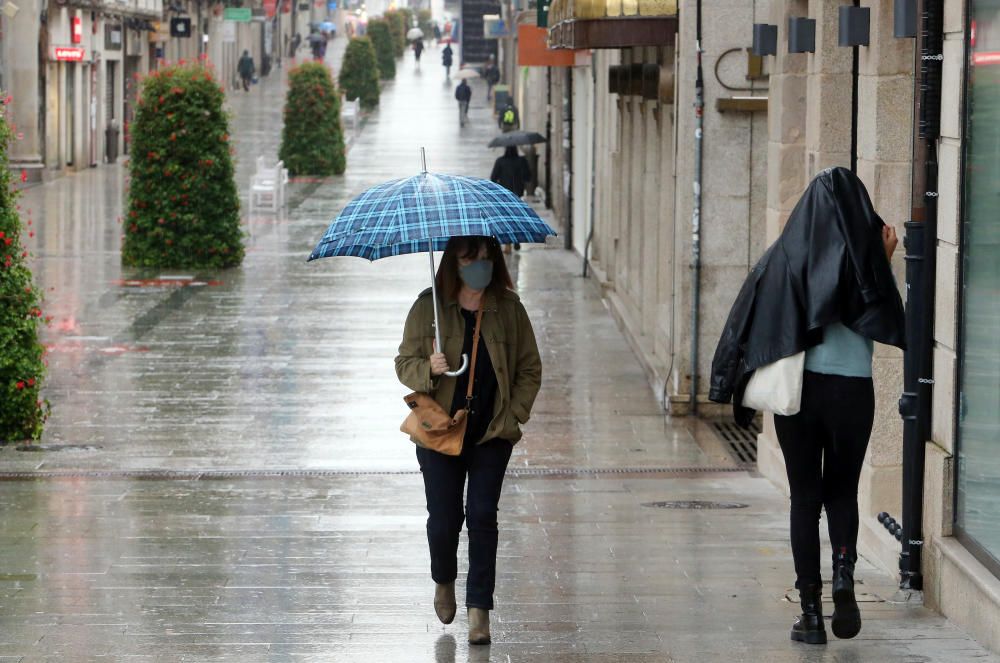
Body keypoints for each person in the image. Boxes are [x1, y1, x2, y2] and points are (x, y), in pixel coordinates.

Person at [709, 167, 906, 647]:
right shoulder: (869, 261)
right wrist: (884, 260)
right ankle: (844, 574)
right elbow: (889, 314)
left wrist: (726, 383)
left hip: (800, 395)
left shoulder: (784, 259)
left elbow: (747, 319)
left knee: (805, 498)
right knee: (842, 493)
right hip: (853, 393)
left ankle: (811, 613)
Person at [396, 235, 542, 646]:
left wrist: (514, 414)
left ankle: (480, 609)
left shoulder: (509, 309)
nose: (481, 265)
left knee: (482, 517)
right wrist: (429, 367)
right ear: (453, 264)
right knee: (444, 520)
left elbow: (530, 367)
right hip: (440, 432)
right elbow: (403, 363)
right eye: (470, 258)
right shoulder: (429, 307)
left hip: (491, 432)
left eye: (487, 258)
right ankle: (443, 579)